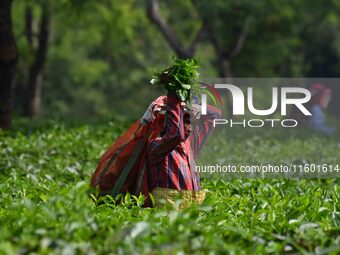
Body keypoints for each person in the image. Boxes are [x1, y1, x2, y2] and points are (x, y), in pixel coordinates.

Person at [144, 90, 221, 208]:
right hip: (167, 210)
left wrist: (197, 107)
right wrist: (173, 95)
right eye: (185, 121)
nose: (190, 127)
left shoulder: (190, 143)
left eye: (191, 122)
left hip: (191, 209)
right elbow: (175, 134)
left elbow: (215, 115)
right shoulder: (156, 145)